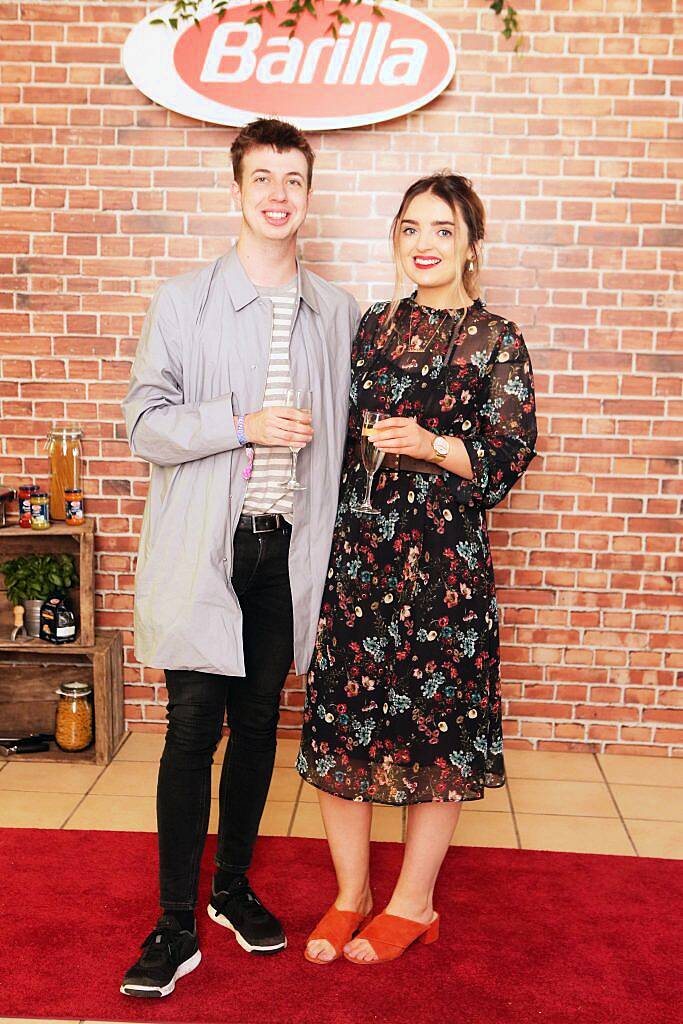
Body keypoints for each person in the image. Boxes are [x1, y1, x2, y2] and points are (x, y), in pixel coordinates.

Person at [120, 118, 359, 997]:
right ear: (236, 189)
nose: (278, 195)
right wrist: (240, 423)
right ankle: (173, 922)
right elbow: (143, 424)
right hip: (204, 554)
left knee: (260, 726)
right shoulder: (182, 300)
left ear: (307, 193)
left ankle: (231, 889)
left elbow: (347, 438)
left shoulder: (336, 312)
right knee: (192, 730)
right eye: (263, 177)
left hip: (286, 555)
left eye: (293, 179)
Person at [298, 172, 538, 965]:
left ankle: (413, 901)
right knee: (344, 722)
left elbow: (508, 455)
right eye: (408, 229)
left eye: (441, 229)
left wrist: (431, 444)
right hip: (361, 558)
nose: (423, 245)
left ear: (472, 244)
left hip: (444, 566)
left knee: (434, 735)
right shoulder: (371, 326)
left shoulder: (495, 338)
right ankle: (350, 893)